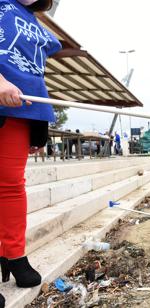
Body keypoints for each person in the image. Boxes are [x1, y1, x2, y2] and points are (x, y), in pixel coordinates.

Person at [0, 0, 61, 305]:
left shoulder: (36, 23)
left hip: (20, 110)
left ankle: (12, 255)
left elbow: (36, 70)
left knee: (11, 186)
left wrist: (40, 123)